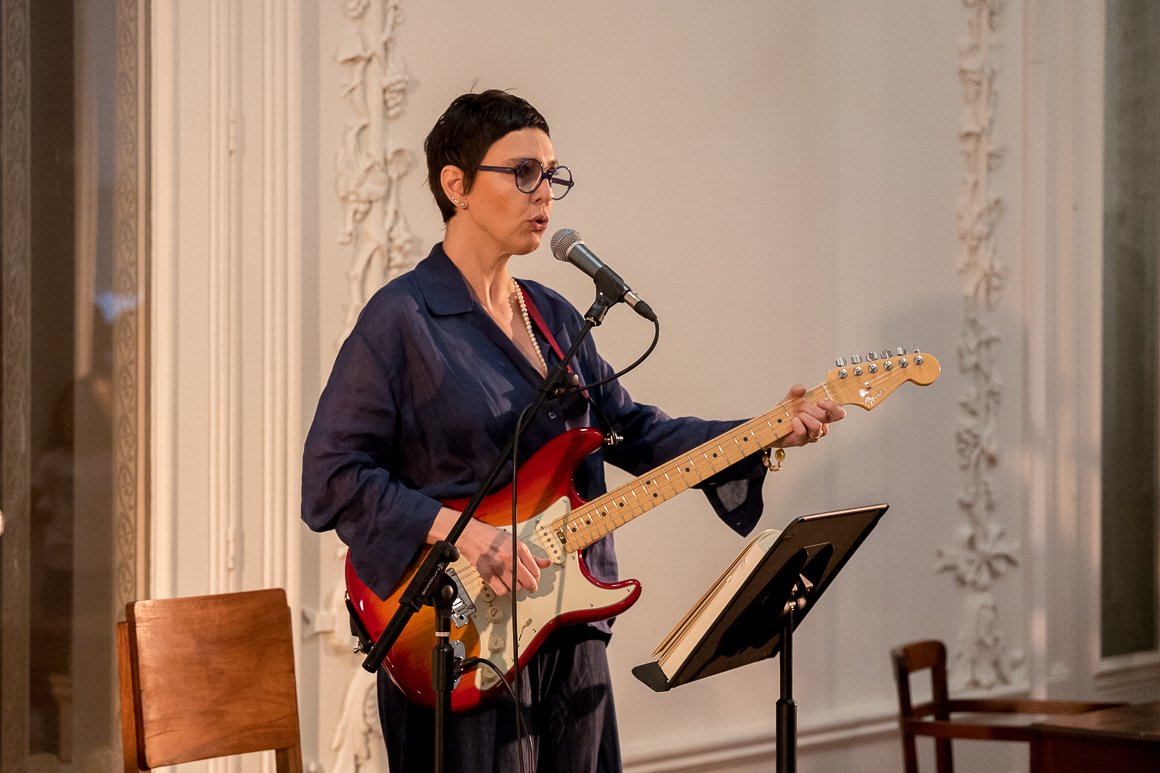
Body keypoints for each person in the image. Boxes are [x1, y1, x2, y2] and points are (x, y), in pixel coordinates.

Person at [301, 89, 845, 773]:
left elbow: (637, 433)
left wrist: (766, 431)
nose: (544, 193)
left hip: (569, 624)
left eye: (552, 175)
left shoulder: (554, 316)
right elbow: (331, 476)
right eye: (523, 172)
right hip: (459, 636)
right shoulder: (402, 318)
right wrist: (461, 531)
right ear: (455, 185)